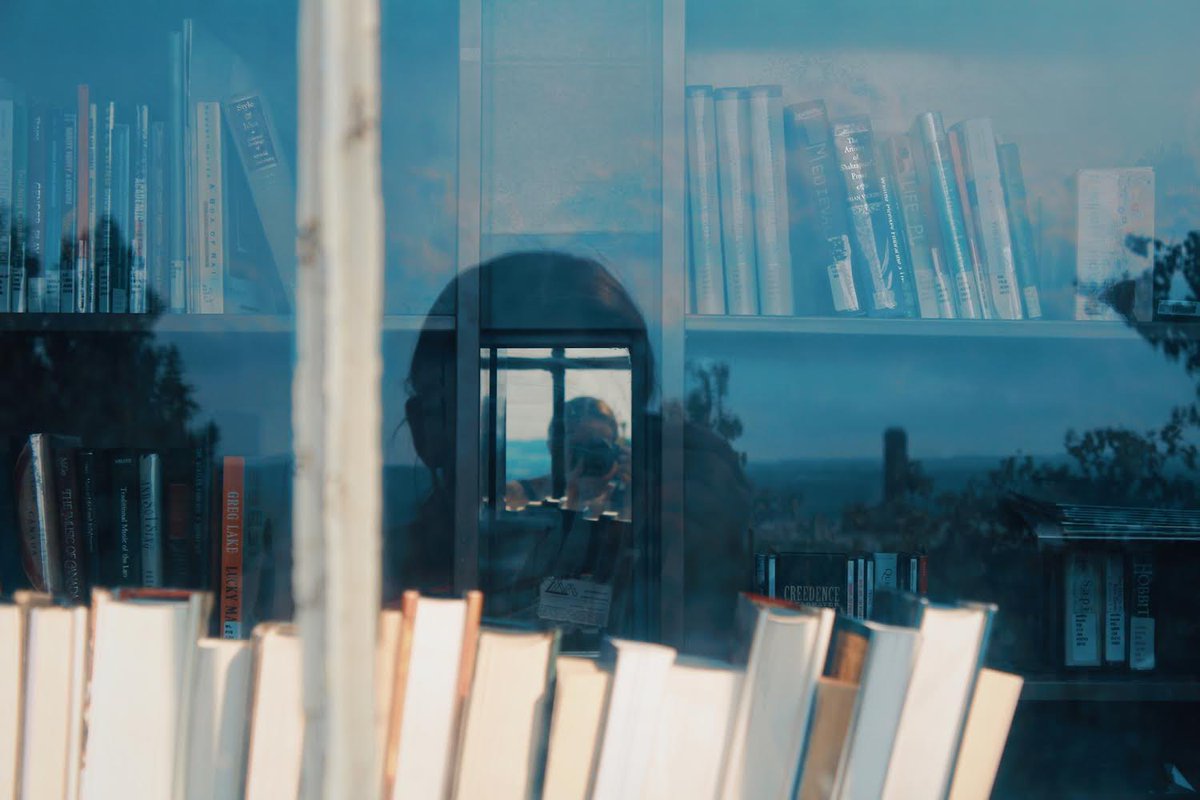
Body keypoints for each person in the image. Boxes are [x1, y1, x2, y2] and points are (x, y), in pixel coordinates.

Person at [394, 250, 752, 655]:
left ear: (639, 441)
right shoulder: (389, 576)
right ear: (429, 430)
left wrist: (702, 559)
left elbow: (691, 664)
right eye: (497, 416)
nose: (589, 463)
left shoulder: (646, 532)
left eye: (604, 445)